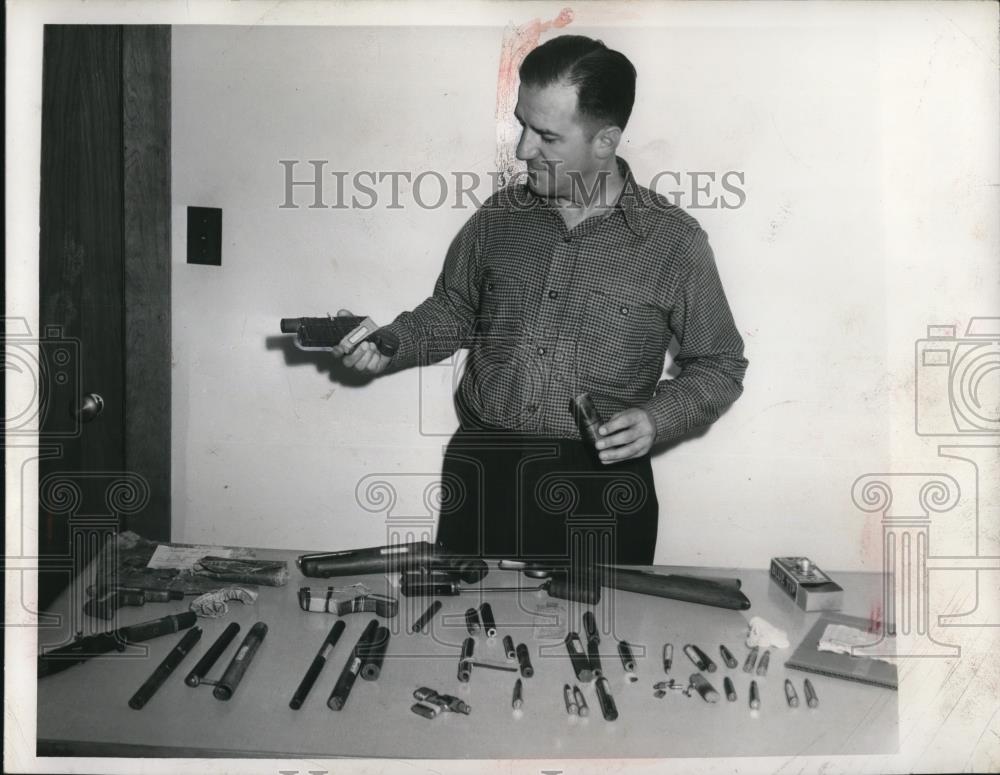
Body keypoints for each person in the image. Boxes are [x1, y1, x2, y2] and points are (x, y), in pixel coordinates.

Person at [331, 35, 747, 565]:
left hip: (601, 493)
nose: (523, 149)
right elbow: (456, 309)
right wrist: (389, 341)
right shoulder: (498, 218)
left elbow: (720, 364)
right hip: (482, 475)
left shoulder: (673, 242)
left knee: (598, 642)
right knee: (461, 635)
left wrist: (656, 419)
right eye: (521, 125)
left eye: (546, 135)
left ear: (605, 141)